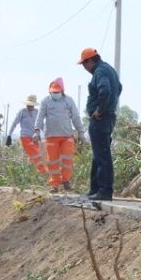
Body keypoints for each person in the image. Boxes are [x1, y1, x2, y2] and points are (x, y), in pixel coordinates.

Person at [78, 48, 122, 200]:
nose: (84, 68)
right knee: (98, 155)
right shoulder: (109, 69)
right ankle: (95, 189)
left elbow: (105, 91)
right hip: (108, 118)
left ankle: (104, 190)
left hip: (101, 119)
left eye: (84, 64)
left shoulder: (100, 72)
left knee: (102, 155)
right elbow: (119, 88)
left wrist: (99, 110)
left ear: (91, 60)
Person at [35, 77, 84, 192]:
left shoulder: (69, 101)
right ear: (50, 91)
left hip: (67, 136)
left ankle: (66, 180)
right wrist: (36, 130)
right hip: (51, 137)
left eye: (57, 92)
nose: (55, 94)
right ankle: (54, 184)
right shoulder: (45, 101)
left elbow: (76, 117)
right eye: (53, 92)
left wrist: (81, 132)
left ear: (62, 91)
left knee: (68, 159)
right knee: (52, 162)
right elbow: (40, 116)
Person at [6, 95, 47, 175]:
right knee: (36, 154)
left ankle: (32, 175)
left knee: (32, 158)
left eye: (31, 105)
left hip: (35, 138)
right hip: (25, 137)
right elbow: (14, 123)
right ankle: (44, 172)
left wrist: (47, 135)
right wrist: (9, 135)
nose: (29, 106)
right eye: (28, 104)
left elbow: (41, 125)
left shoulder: (37, 112)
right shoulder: (22, 112)